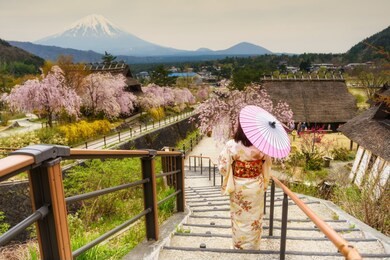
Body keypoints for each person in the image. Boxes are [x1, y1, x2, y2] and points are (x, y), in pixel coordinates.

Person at [218, 120, 272, 250]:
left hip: (238, 186)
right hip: (256, 186)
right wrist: (264, 181)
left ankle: (239, 245)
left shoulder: (231, 145)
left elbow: (223, 167)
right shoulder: (263, 145)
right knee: (255, 217)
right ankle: (254, 246)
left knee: (239, 216)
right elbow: (268, 164)